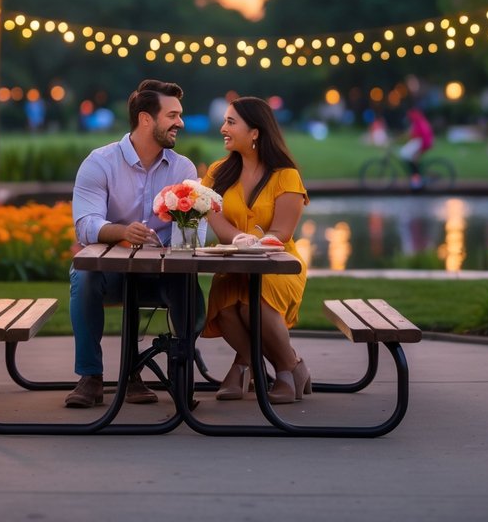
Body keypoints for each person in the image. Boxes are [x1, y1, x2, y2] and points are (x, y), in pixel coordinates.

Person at [67, 79, 206, 409]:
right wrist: (121, 232)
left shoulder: (183, 168)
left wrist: (184, 237)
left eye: (180, 115)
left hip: (160, 275)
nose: (180, 123)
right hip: (113, 276)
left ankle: (177, 371)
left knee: (188, 287)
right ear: (147, 119)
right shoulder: (99, 163)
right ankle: (91, 377)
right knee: (84, 277)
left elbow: (195, 235)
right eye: (172, 115)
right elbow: (84, 226)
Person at [202, 96, 311, 405]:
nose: (223, 128)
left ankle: (276, 371)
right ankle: (286, 365)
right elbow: (218, 224)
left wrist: (257, 242)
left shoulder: (285, 175)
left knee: (255, 303)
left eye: (231, 122)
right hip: (233, 263)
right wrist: (240, 241)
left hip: (279, 264)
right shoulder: (217, 174)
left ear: (255, 132)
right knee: (226, 306)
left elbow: (282, 232)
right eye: (224, 121)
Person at [400, 106, 434, 190]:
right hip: (421, 142)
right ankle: (416, 179)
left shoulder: (418, 121)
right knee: (411, 158)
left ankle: (417, 181)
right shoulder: (418, 121)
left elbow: (416, 135)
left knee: (408, 157)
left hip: (423, 143)